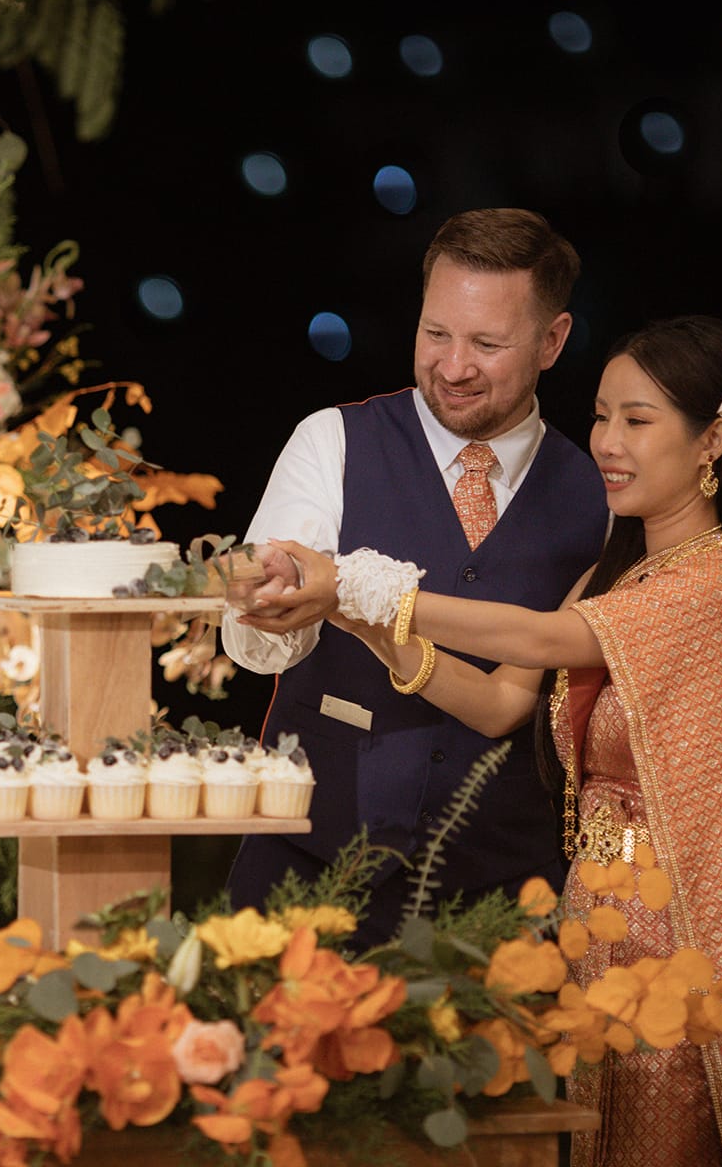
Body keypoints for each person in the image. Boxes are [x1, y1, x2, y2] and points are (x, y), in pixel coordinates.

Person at [266, 315, 722, 1164]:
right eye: (600, 416)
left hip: (686, 937)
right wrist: (361, 620)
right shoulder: (616, 572)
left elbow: (538, 642)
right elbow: (495, 703)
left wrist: (363, 579)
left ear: (714, 437)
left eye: (638, 421)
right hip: (596, 925)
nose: (606, 443)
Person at [220, 209, 610, 944]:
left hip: (500, 902)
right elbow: (255, 650)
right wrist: (263, 605)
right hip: (307, 867)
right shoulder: (331, 441)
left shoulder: (598, 499)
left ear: (552, 341)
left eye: (487, 344)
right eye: (436, 334)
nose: (454, 366)